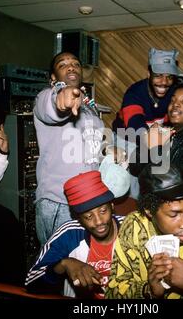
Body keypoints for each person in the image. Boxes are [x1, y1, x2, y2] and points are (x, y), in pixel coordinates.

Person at [105, 164, 183, 299]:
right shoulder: (133, 226)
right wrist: (149, 291)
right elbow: (113, 293)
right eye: (174, 215)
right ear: (149, 210)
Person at [33, 51, 105, 248]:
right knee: (59, 268)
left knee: (83, 269)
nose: (71, 66)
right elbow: (50, 106)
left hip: (90, 201)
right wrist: (60, 100)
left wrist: (112, 148)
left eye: (75, 63)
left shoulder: (88, 106)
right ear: (53, 78)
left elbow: (94, 142)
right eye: (63, 64)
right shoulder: (45, 97)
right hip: (60, 203)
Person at [25, 171, 124, 298]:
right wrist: (64, 264)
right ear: (78, 218)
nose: (98, 221)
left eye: (103, 211)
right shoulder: (69, 234)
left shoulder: (132, 227)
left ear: (112, 205)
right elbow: (31, 282)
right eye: (88, 216)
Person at [112, 48, 182, 199]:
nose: (164, 82)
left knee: (156, 183)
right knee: (129, 186)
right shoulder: (135, 93)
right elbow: (135, 125)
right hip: (127, 137)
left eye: (169, 77)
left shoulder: (175, 92)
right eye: (158, 76)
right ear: (149, 74)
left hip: (155, 138)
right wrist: (152, 146)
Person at [129, 83, 183, 199]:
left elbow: (182, 188)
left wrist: (156, 148)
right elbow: (135, 169)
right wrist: (146, 145)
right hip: (155, 207)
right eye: (172, 100)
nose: (175, 104)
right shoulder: (165, 134)